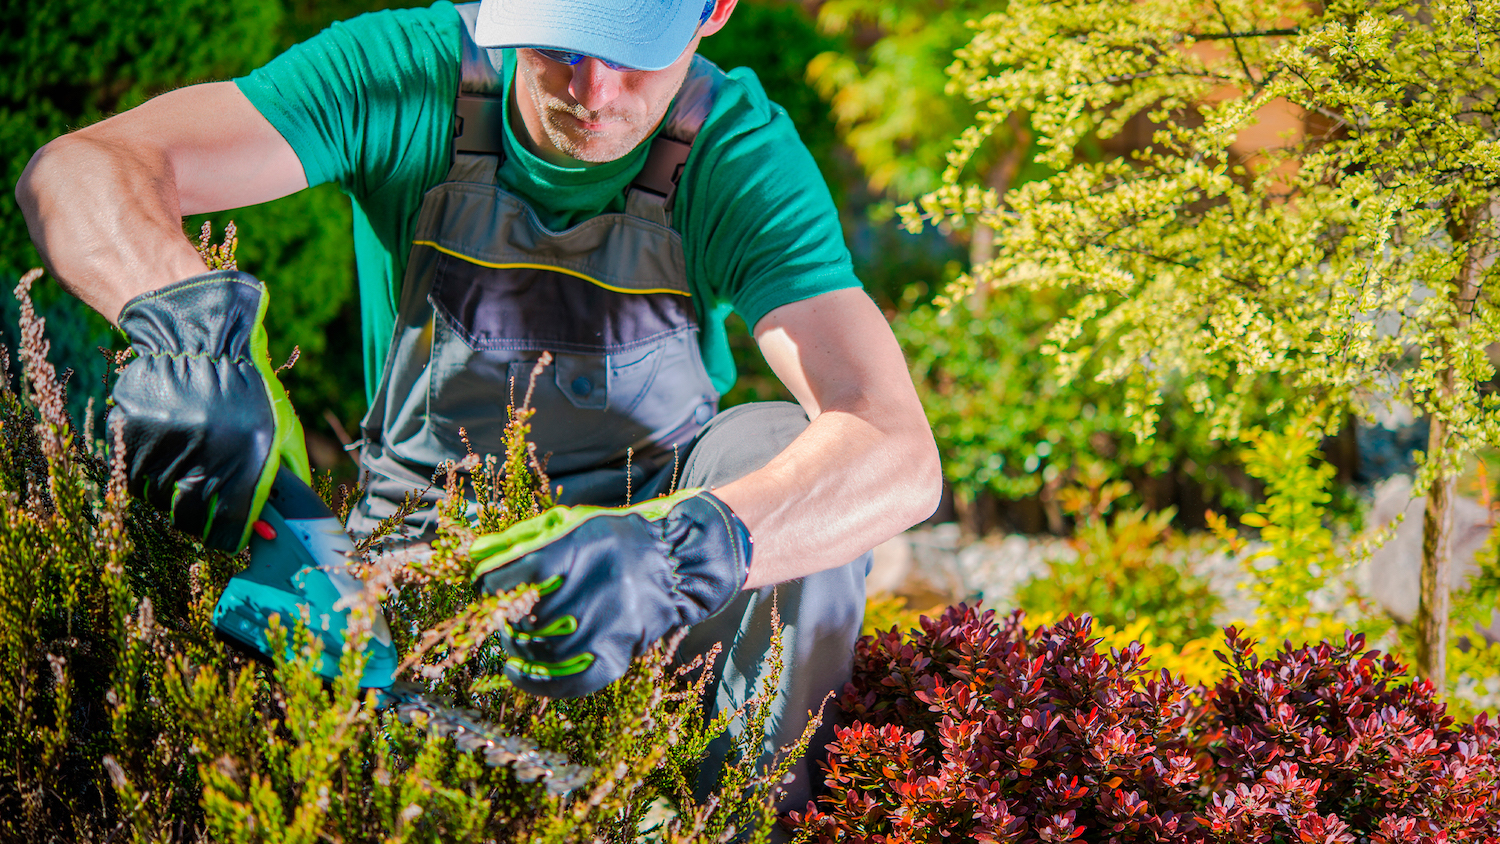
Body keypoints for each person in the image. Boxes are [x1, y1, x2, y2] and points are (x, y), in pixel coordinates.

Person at [16, 0, 942, 812]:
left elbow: (896, 449)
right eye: (558, 44)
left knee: (781, 439)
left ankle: (741, 817)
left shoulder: (736, 155)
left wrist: (681, 553)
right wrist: (185, 323)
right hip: (414, 559)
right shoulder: (407, 73)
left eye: (631, 48)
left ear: (713, 10)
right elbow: (83, 167)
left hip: (643, 590)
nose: (593, 86)